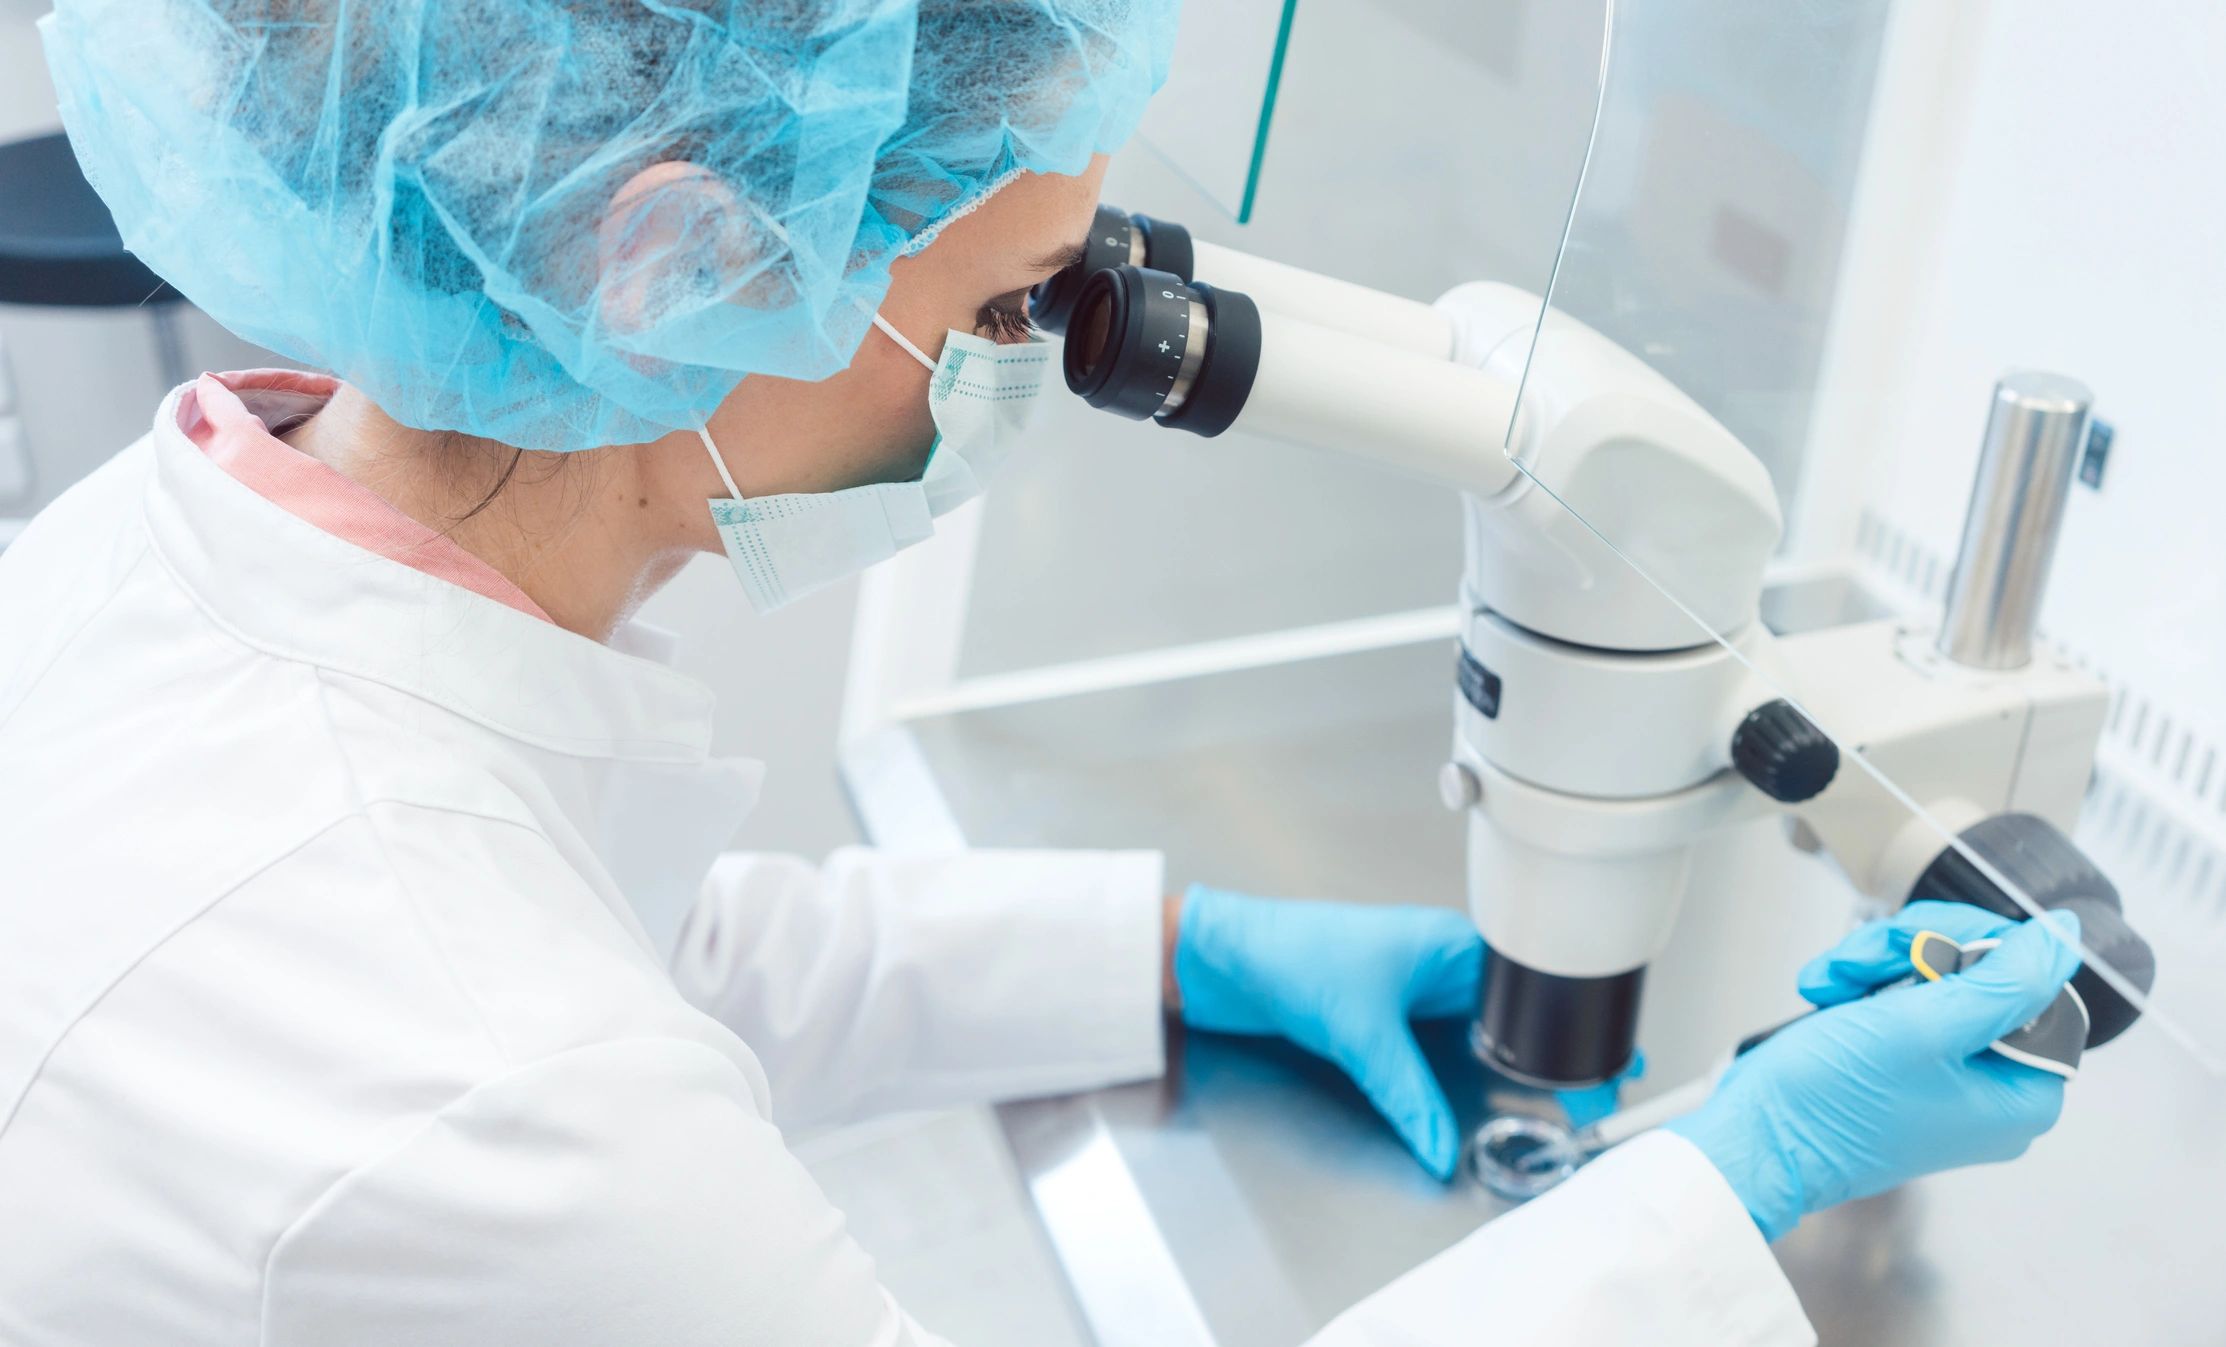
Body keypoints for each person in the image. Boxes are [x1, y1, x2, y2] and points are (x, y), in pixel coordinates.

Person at [0, 4, 2084, 1344]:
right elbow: (527, 1043)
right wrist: (1723, 1195)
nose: (1030, 370)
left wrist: (1178, 952)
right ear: (681, 267)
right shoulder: (488, 1089)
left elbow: (635, 942)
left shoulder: (186, 537)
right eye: (1007, 302)